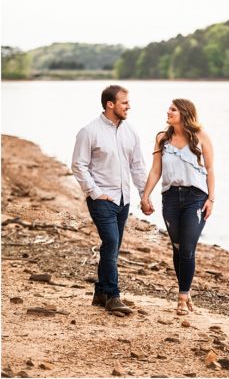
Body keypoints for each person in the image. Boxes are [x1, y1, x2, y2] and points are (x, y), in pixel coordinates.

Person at [71, 85, 148, 314]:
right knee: (112, 242)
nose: (129, 106)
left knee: (111, 247)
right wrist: (94, 192)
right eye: (124, 102)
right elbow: (78, 165)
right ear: (110, 104)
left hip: (123, 199)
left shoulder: (130, 131)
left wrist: (144, 195)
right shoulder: (89, 131)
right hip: (102, 198)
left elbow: (137, 166)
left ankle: (101, 292)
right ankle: (113, 296)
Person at [141, 98, 216, 315]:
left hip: (196, 198)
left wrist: (211, 199)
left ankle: (182, 297)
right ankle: (186, 289)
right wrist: (145, 195)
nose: (168, 112)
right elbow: (156, 170)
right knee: (177, 246)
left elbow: (210, 170)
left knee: (187, 247)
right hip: (171, 198)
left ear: (184, 112)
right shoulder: (162, 138)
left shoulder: (201, 137)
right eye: (168, 109)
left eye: (172, 109)